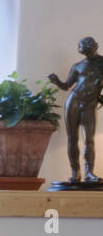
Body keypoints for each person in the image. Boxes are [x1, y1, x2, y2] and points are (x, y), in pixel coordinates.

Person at [48, 36, 103, 185]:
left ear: (94, 46)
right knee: (72, 138)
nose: (82, 48)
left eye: (85, 45)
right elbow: (66, 86)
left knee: (89, 139)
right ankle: (75, 172)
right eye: (80, 46)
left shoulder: (101, 63)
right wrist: (56, 81)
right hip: (73, 101)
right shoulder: (77, 66)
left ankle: (89, 173)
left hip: (90, 104)